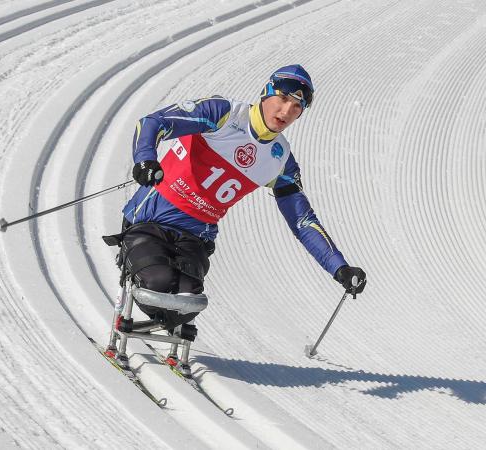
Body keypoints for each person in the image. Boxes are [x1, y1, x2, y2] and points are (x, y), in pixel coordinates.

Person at [115, 64, 367, 330]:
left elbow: (302, 221)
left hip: (194, 239)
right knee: (158, 283)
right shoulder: (223, 114)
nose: (286, 111)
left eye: (297, 107)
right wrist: (145, 160)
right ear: (265, 92)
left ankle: (166, 321)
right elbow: (153, 123)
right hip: (148, 222)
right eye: (283, 98)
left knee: (188, 301)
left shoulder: (280, 161)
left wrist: (340, 268)